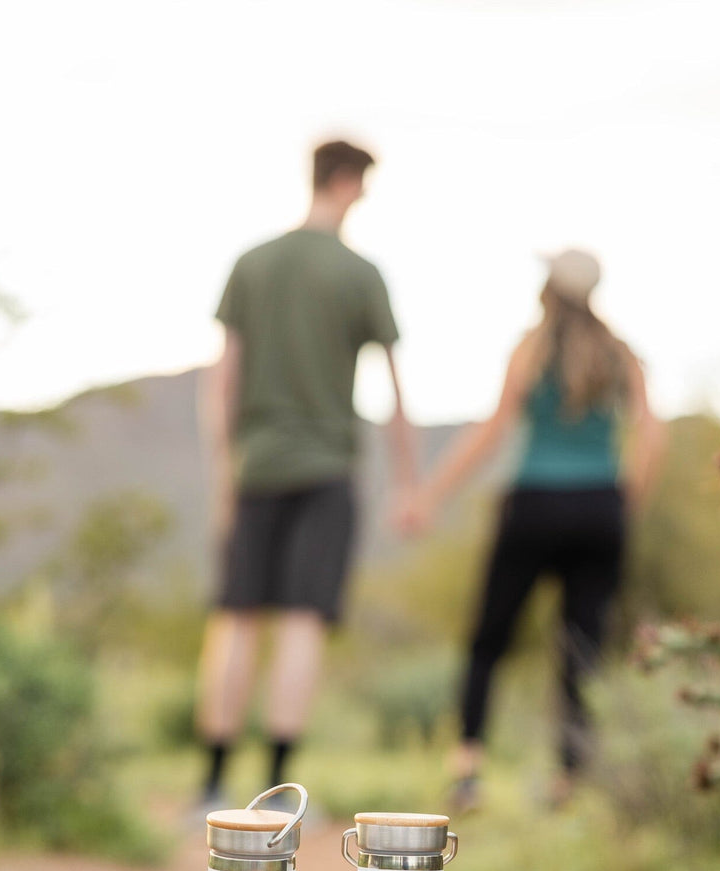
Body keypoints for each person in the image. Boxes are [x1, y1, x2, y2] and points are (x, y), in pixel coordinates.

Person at [194, 139, 417, 806]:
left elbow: (221, 382)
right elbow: (397, 391)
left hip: (256, 466)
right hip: (326, 470)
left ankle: (210, 785)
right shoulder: (360, 273)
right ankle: (277, 788)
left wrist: (225, 475)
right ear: (348, 183)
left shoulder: (253, 264)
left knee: (235, 619)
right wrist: (408, 482)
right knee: (301, 621)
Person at [414, 248, 664, 809]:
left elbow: (494, 428)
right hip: (601, 508)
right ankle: (569, 779)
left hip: (534, 504)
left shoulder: (531, 349)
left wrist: (432, 494)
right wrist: (625, 503)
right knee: (582, 644)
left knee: (489, 639)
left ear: (549, 289)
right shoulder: (620, 354)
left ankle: (468, 770)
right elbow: (652, 435)